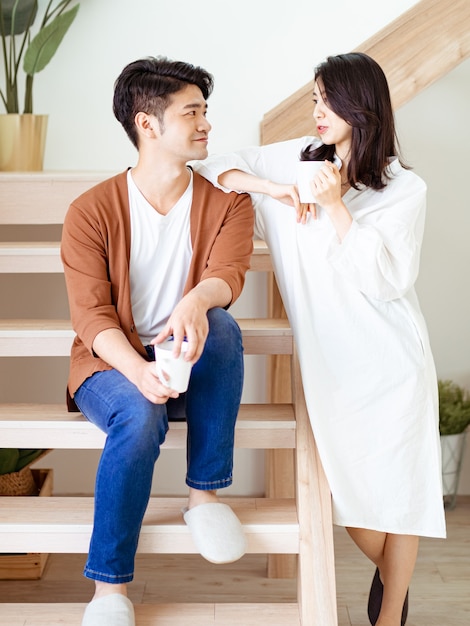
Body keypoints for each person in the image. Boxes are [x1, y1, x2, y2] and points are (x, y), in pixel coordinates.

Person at [195, 52, 446, 626]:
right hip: (332, 367)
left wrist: (335, 208)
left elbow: (385, 280)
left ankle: (389, 619)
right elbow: (211, 169)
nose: (317, 111)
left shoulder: (406, 190)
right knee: (351, 497)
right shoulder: (294, 162)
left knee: (400, 495)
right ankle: (394, 580)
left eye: (328, 100)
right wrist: (273, 189)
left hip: (393, 362)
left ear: (363, 105)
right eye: (314, 99)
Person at [61, 56, 254, 626]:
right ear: (147, 124)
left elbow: (230, 272)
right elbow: (91, 317)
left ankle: (205, 497)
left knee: (221, 324)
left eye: (205, 111)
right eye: (191, 112)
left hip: (189, 355)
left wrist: (195, 300)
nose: (206, 125)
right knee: (141, 418)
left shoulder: (228, 202)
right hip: (109, 363)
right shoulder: (91, 211)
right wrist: (137, 371)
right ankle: (109, 589)